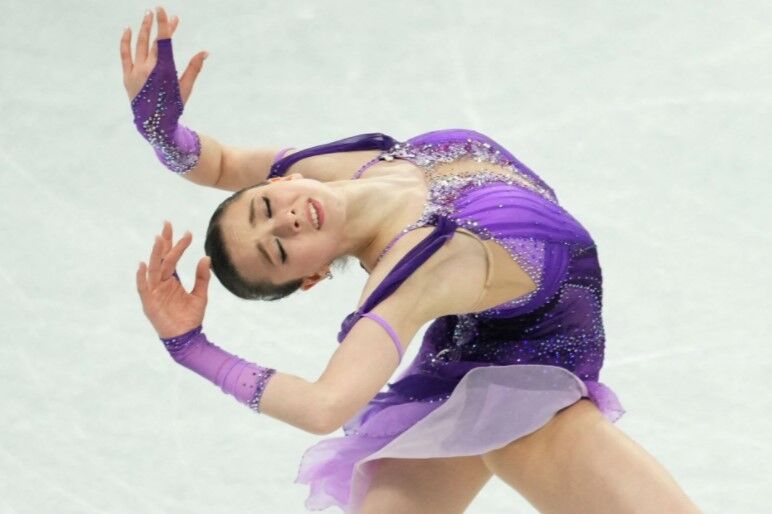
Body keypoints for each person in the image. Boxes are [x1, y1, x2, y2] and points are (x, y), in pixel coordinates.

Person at [123, 7, 703, 514]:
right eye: (280, 248)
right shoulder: (410, 274)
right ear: (313, 276)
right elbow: (327, 405)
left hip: (498, 335)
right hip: (533, 371)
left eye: (266, 207)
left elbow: (221, 165)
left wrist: (161, 130)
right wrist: (190, 347)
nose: (287, 220)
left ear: (284, 179)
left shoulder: (342, 165)